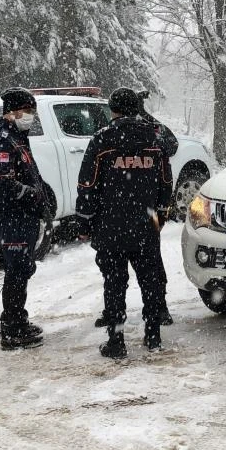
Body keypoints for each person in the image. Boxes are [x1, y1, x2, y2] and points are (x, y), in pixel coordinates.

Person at [77, 88, 173, 359]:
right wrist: (159, 218)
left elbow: (87, 185)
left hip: (111, 226)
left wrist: (84, 223)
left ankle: (116, 340)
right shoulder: (154, 139)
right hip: (146, 225)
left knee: (114, 283)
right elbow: (166, 184)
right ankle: (153, 335)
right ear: (136, 109)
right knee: (150, 280)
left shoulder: (102, 139)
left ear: (113, 110)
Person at [0, 88, 49, 351]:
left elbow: (28, 171)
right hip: (12, 215)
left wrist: (41, 195)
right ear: (13, 111)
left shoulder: (17, 137)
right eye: (27, 111)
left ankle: (19, 318)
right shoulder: (2, 140)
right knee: (17, 271)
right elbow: (2, 184)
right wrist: (31, 194)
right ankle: (11, 327)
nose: (30, 116)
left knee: (22, 269)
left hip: (23, 214)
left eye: (32, 111)